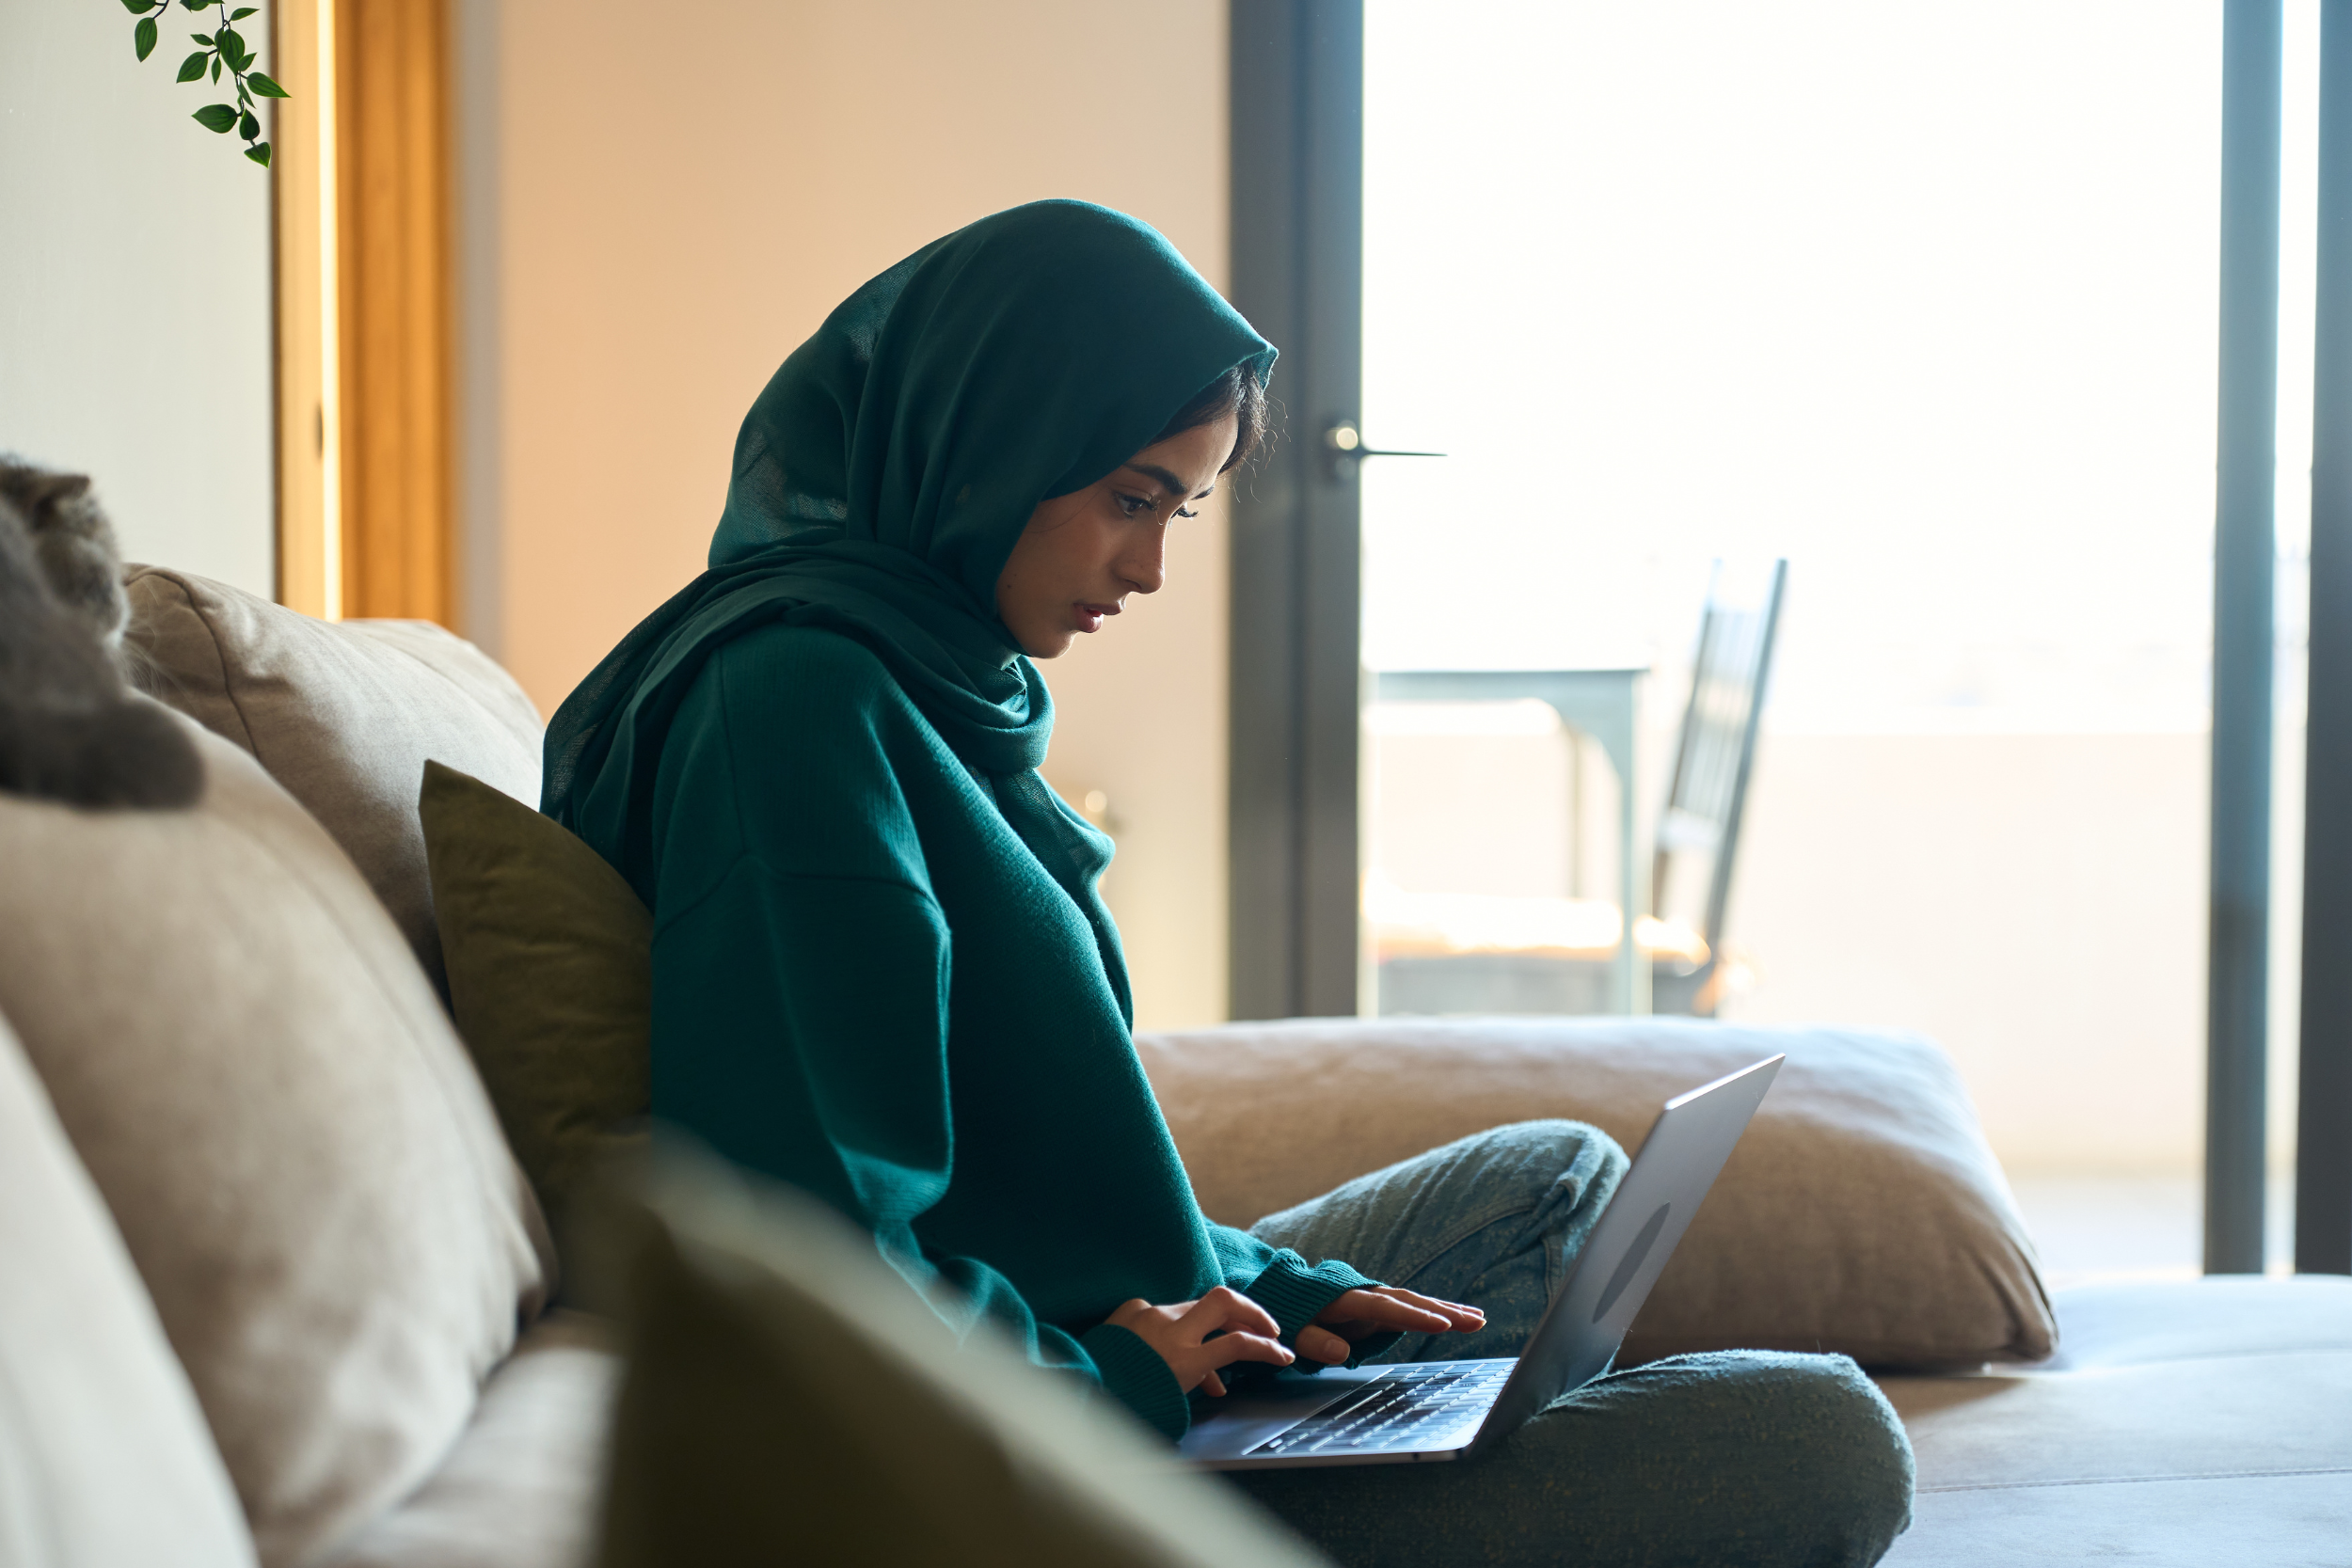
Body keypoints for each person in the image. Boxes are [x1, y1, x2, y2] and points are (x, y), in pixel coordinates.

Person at [543, 199, 1914, 1566]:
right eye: (1130, 500)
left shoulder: (934, 678)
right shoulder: (795, 706)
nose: (1146, 568)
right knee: (1816, 1439)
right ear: (985, 445)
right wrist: (1120, 1379)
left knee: (1556, 1174)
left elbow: (1050, 1185)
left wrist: (1275, 1285)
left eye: (1178, 510)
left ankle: (1431, 1446)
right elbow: (807, 1261)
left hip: (1108, 1343)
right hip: (1037, 1430)